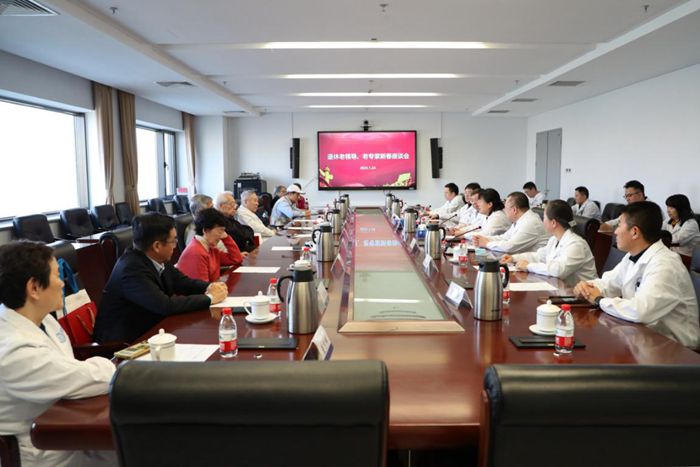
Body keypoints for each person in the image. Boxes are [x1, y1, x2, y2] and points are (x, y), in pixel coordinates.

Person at [0, 241, 116, 467]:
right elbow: (87, 378)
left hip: (67, 427)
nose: (63, 282)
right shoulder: (14, 350)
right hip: (42, 452)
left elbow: (70, 372)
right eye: (56, 275)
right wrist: (109, 367)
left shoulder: (42, 319)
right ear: (34, 288)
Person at [574, 201, 699, 348]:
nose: (615, 232)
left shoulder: (665, 264)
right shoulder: (633, 255)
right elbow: (609, 283)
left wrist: (599, 300)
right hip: (644, 335)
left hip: (676, 347)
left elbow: (640, 311)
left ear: (634, 232)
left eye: (619, 225)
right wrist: (586, 287)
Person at [93, 213, 228, 343]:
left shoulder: (157, 258)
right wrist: (210, 298)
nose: (176, 245)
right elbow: (165, 305)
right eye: (173, 240)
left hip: (152, 331)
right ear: (157, 246)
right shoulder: (131, 269)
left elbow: (182, 282)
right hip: (125, 343)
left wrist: (209, 287)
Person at [500, 200, 597, 286]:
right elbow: (539, 256)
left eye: (544, 218)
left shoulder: (576, 244)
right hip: (562, 289)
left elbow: (559, 270)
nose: (543, 221)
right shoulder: (554, 239)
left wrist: (528, 266)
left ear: (553, 223)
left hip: (583, 295)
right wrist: (514, 258)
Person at [177, 208, 245, 282]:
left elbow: (236, 259)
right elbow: (202, 286)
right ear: (206, 230)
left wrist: (227, 238)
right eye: (220, 231)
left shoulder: (210, 249)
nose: (222, 236)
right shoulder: (196, 253)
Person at [473, 191, 548, 253]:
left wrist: (487, 243)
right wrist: (484, 239)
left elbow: (510, 246)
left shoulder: (531, 223)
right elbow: (505, 237)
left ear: (514, 210)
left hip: (534, 262)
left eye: (506, 208)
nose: (504, 211)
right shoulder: (520, 220)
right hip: (522, 259)